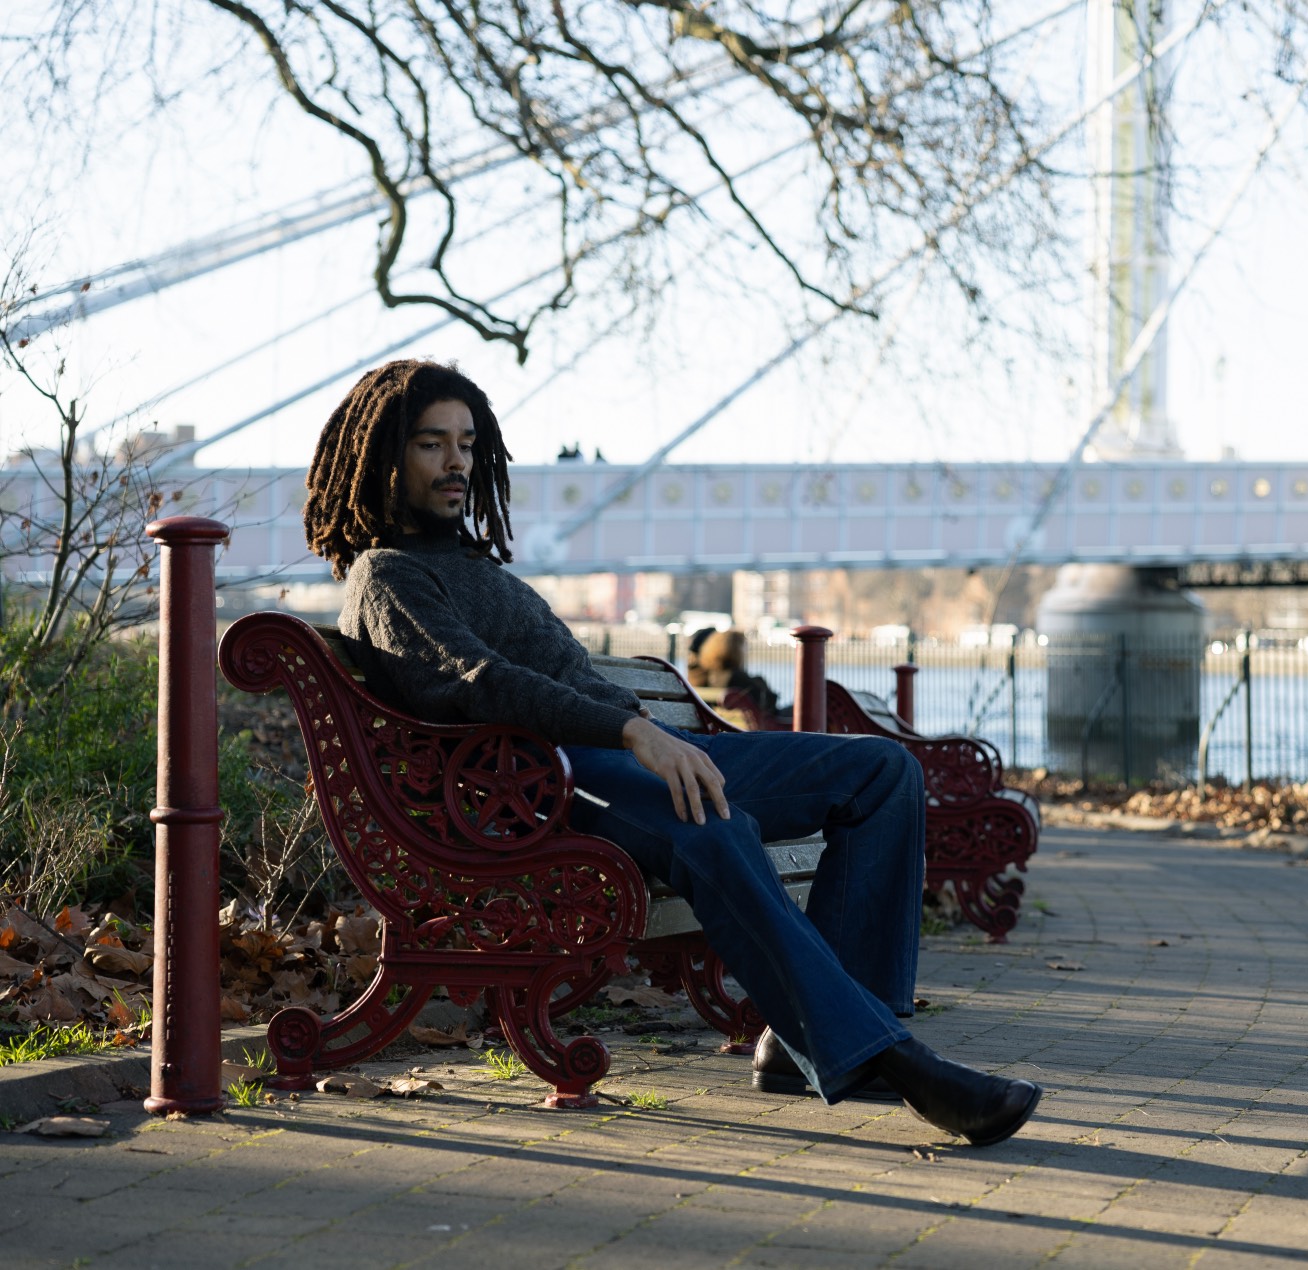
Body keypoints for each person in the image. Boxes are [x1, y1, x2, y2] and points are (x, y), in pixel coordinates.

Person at [302, 359, 1039, 1146]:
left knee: (882, 772)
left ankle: (834, 1040)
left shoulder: (469, 564)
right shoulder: (387, 577)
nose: (457, 462)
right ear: (385, 458)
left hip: (623, 755)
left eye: (467, 444)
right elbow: (480, 683)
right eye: (430, 444)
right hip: (548, 784)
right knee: (713, 828)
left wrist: (645, 734)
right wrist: (632, 731)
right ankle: (893, 1063)